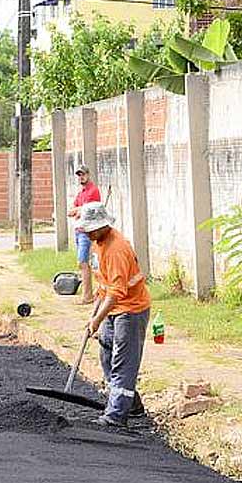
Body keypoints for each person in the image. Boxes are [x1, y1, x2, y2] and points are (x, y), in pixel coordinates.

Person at [79, 203, 151, 427]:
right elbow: (104, 286)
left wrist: (98, 319)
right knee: (107, 355)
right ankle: (132, 405)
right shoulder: (98, 244)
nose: (87, 233)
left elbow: (116, 293)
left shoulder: (116, 249)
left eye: (91, 229)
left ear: (103, 226)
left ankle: (116, 416)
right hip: (112, 308)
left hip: (131, 309)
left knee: (123, 361)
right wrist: (93, 316)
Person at [68, 166, 102, 305]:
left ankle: (88, 295)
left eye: (83, 174)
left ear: (88, 174)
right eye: (79, 175)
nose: (81, 177)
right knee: (85, 263)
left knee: (83, 262)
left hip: (87, 231)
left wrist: (79, 210)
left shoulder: (93, 191)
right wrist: (78, 210)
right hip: (79, 230)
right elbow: (73, 210)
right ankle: (91, 293)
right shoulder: (81, 192)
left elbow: (89, 210)